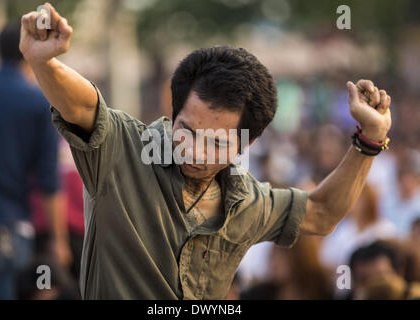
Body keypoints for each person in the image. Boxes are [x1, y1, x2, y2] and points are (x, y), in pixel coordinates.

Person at [19, 3, 393, 299]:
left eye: (216, 142)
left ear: (247, 144)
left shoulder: (248, 202)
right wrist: (44, 62)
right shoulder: (122, 151)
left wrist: (370, 140)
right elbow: (84, 106)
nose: (194, 151)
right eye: (187, 131)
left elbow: (323, 213)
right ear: (174, 113)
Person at [0, 22, 70, 299]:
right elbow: (49, 181)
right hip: (7, 227)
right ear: (31, 52)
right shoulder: (38, 102)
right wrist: (58, 240)